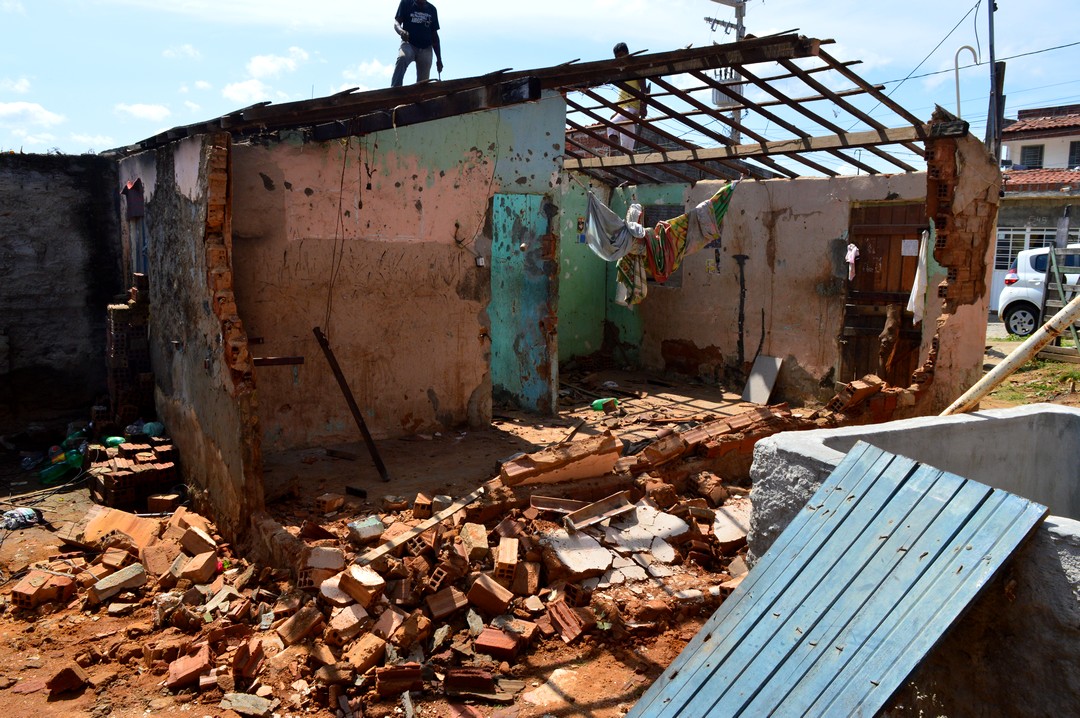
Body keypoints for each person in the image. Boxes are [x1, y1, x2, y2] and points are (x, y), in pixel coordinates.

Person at [391, 0, 443, 88]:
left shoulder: (432, 9)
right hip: (409, 43)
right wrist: (401, 31)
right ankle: (395, 89)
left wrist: (439, 59)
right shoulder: (405, 3)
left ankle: (420, 97)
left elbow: (435, 36)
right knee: (402, 58)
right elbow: (397, 23)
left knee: (423, 82)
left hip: (426, 47)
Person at [607, 42, 646, 152]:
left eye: (622, 55)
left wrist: (643, 108)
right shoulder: (621, 73)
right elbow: (622, 96)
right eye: (618, 57)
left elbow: (644, 90)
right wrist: (617, 110)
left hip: (631, 107)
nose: (621, 59)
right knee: (627, 145)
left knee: (611, 125)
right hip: (623, 108)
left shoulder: (635, 69)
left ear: (627, 54)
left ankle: (612, 154)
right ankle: (626, 161)